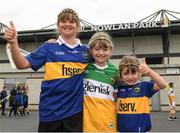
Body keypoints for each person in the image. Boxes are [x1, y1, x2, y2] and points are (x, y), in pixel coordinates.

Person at [4, 8, 91, 132]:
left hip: (74, 113)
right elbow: (21, 64)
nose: (67, 24)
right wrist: (13, 43)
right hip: (50, 112)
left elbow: (103, 63)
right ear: (58, 25)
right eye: (63, 21)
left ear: (77, 27)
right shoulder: (48, 47)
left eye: (72, 22)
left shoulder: (86, 51)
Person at [116, 55, 167, 132]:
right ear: (121, 75)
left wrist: (149, 71)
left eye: (133, 73)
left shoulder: (144, 86)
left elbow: (163, 85)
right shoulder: (118, 88)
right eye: (126, 74)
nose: (130, 77)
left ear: (139, 73)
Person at [83, 32, 118, 132]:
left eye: (105, 49)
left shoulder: (115, 71)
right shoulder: (84, 66)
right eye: (97, 49)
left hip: (108, 120)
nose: (101, 53)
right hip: (87, 122)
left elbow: (116, 96)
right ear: (91, 50)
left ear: (110, 51)